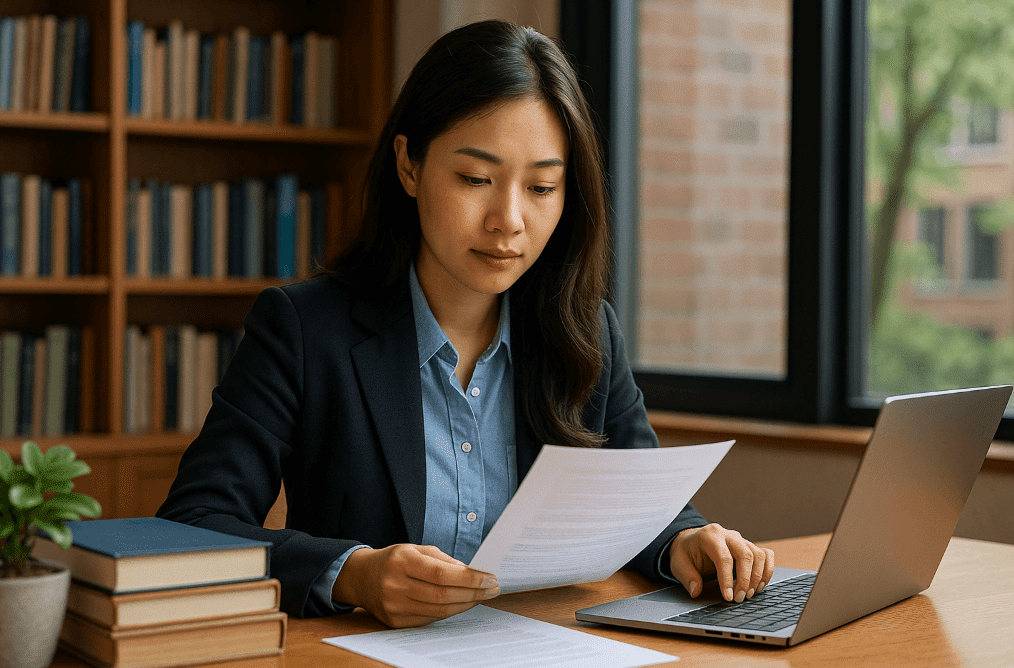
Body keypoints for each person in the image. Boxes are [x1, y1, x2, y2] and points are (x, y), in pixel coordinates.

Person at [157, 19, 774, 628]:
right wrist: (352, 573)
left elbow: (640, 506)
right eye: (476, 179)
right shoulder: (304, 329)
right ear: (409, 166)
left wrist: (687, 541)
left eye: (541, 187)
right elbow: (192, 521)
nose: (508, 219)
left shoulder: (586, 330)